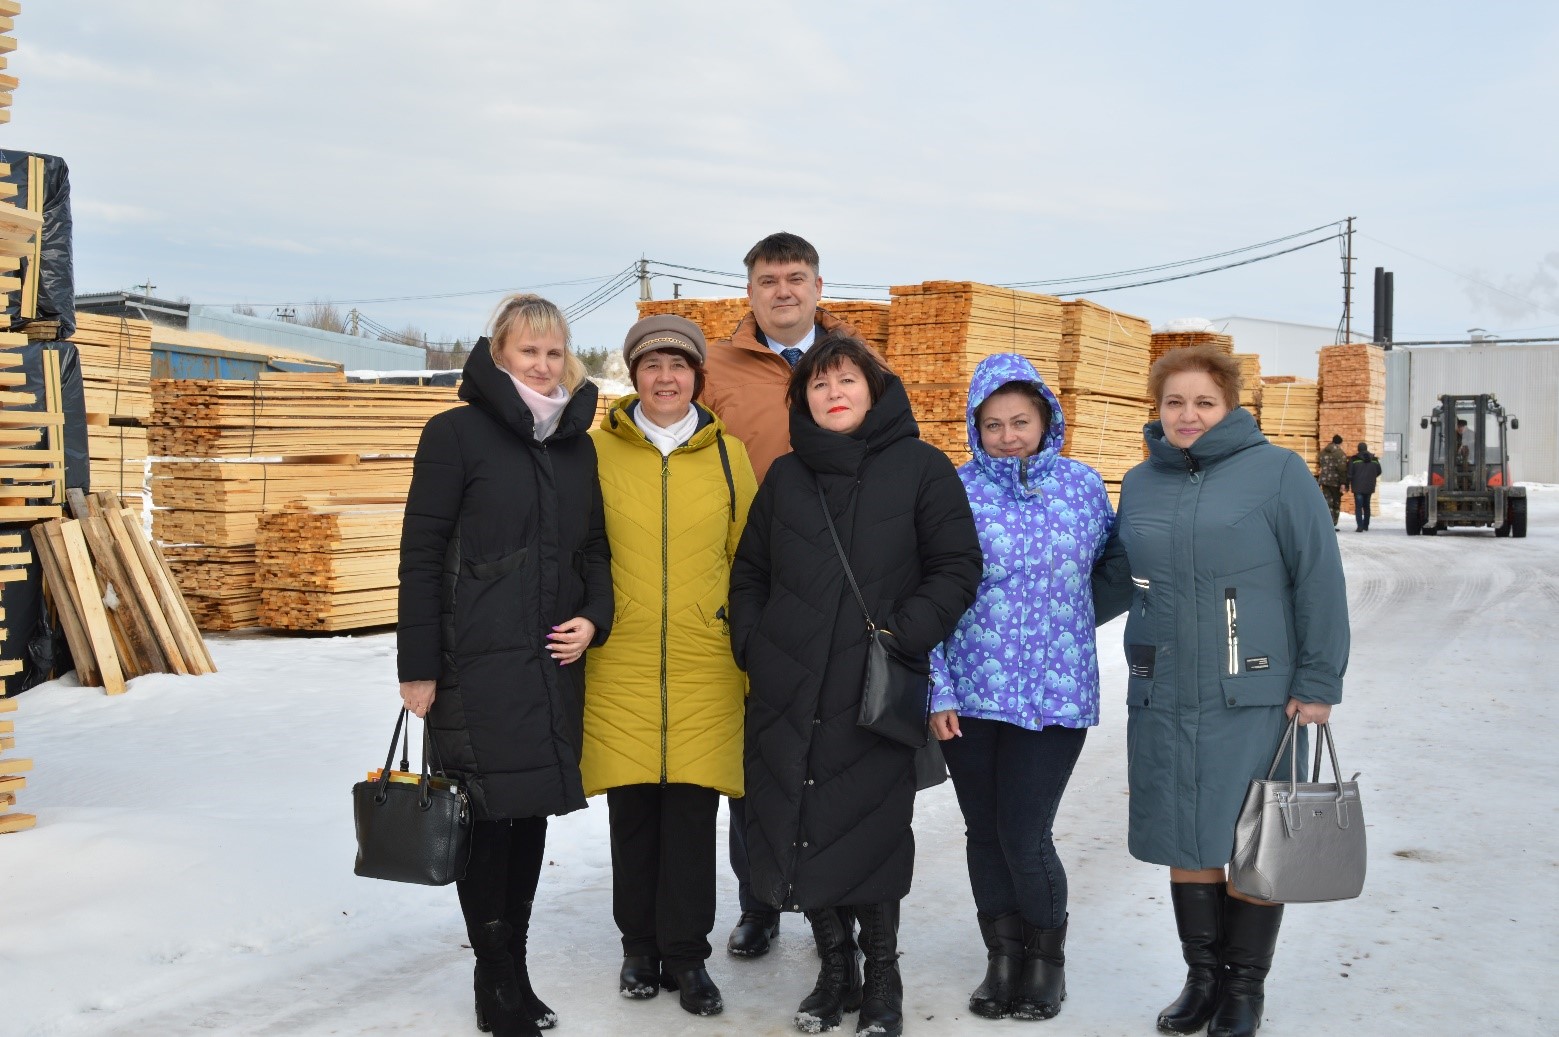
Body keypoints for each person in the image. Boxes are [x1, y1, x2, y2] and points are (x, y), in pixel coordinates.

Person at [729, 332, 982, 1037]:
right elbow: (750, 570)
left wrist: (903, 636)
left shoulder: (921, 468)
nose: (831, 392)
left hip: (872, 687)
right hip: (787, 685)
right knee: (799, 828)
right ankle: (834, 972)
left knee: (868, 831)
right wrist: (755, 644)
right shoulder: (785, 475)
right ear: (801, 399)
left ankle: (883, 981)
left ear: (874, 389)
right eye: (816, 384)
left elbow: (957, 566)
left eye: (845, 380)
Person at [1092, 344, 1348, 1037]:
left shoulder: (1277, 474)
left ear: (1230, 406)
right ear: (1157, 408)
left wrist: (1318, 681)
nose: (1187, 414)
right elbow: (1115, 577)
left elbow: (1317, 578)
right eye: (1174, 402)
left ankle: (1243, 989)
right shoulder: (1141, 481)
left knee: (1252, 841)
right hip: (1165, 692)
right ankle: (1200, 979)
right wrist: (1033, 619)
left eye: (1203, 401)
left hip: (1255, 695)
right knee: (1188, 836)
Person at [397, 294, 613, 1037]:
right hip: (473, 665)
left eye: (554, 352)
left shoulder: (575, 443)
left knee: (527, 821)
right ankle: (495, 983)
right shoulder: (454, 434)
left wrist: (595, 618)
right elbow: (420, 553)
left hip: (551, 662)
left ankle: (515, 973)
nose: (543, 365)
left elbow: (593, 552)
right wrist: (418, 666)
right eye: (529, 351)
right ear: (498, 354)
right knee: (487, 821)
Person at [927, 354, 1115, 1023]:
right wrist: (936, 688)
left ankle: (1044, 960)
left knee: (1025, 831)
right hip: (971, 694)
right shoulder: (953, 491)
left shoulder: (1083, 487)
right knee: (984, 830)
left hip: (1056, 694)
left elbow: (1113, 566)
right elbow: (926, 595)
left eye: (1021, 420)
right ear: (976, 426)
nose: (1008, 434)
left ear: (1045, 419)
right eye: (994, 423)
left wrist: (1067, 626)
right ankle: (1001, 954)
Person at [582, 315, 758, 1018]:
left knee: (691, 814)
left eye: (678, 365)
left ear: (696, 376)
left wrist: (743, 640)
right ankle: (637, 949)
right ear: (632, 373)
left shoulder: (728, 457)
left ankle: (686, 956)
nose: (664, 377)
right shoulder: (593, 452)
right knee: (632, 813)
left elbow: (749, 560)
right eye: (650, 364)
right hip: (620, 659)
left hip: (704, 661)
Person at [702, 231, 864, 958]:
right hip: (757, 580)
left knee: (839, 752)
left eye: (796, 277)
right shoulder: (714, 367)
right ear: (750, 292)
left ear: (819, 287)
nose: (783, 291)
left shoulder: (856, 365)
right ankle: (759, 898)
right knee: (757, 753)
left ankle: (842, 897)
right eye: (768, 280)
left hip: (846, 585)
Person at [1349, 442, 1382, 532]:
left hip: (1357, 487)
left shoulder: (1354, 459)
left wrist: (1348, 482)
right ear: (1366, 449)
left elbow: (1350, 473)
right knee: (1367, 506)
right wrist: (1371, 477)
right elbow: (1379, 471)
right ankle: (1366, 525)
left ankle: (1360, 526)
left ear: (1358, 449)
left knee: (1358, 507)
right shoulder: (1374, 459)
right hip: (1369, 486)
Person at [1316, 434, 1347, 530]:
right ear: (1339, 443)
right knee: (1336, 503)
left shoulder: (1322, 452)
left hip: (1324, 480)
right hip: (1335, 482)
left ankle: (1326, 523)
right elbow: (1342, 469)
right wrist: (1343, 483)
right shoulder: (1340, 453)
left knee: (1327, 502)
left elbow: (1319, 463)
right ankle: (1333, 524)